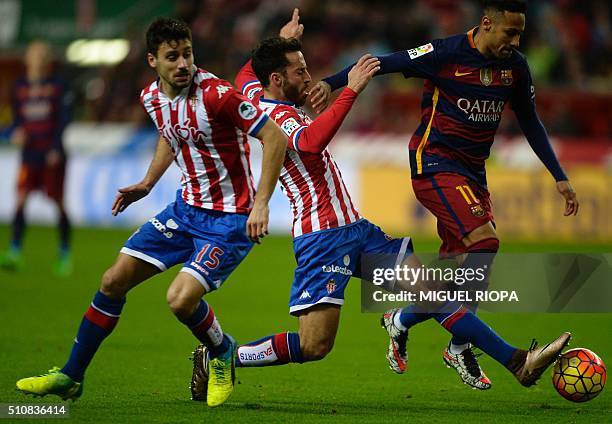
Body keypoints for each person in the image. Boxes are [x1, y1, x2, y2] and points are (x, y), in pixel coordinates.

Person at [189, 9, 571, 405]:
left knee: (435, 295)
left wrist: (283, 43)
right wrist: (350, 88)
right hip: (322, 239)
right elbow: (310, 142)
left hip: (356, 230)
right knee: (316, 345)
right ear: (277, 81)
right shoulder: (273, 115)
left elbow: (245, 74)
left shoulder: (253, 93)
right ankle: (226, 355)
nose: (309, 77)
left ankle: (518, 363)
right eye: (300, 71)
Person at [15, 17, 287, 408]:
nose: (183, 64)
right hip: (184, 210)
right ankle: (71, 376)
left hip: (229, 219)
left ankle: (223, 350)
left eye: (187, 54)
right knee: (112, 280)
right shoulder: (151, 98)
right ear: (152, 61)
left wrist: (261, 203)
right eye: (172, 57)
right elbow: (168, 135)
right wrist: (147, 182)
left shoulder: (217, 95)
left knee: (180, 300)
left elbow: (273, 136)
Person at [311, 0, 579, 389]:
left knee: (467, 272)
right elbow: (381, 62)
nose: (516, 41)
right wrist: (331, 83)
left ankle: (407, 322)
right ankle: (502, 357)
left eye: (521, 33)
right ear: (487, 24)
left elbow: (530, 121)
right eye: (510, 32)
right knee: (485, 239)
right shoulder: (445, 52)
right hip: (434, 164)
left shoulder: (515, 67)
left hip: (473, 173)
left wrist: (559, 176)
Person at [0, 41, 73, 276]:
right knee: (20, 199)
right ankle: (14, 251)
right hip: (29, 154)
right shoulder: (19, 87)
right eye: (35, 54)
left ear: (48, 59)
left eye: (43, 54)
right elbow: (16, 121)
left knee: (58, 202)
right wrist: (15, 132)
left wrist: (55, 147)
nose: (39, 58)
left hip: (52, 154)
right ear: (27, 59)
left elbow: (63, 119)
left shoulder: (57, 86)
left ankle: (64, 254)